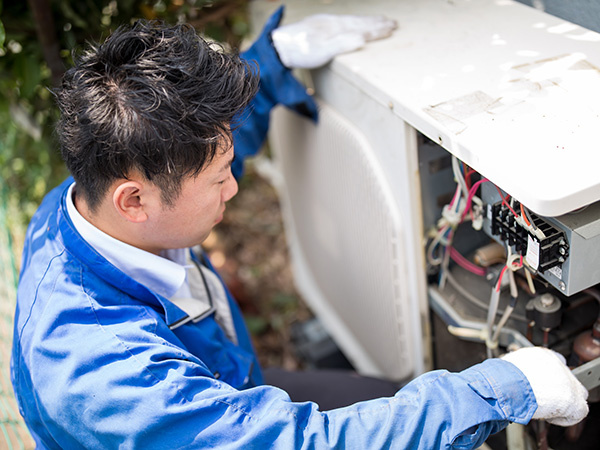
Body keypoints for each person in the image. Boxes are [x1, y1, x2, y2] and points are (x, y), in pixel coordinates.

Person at [10, 6, 588, 449]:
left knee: (392, 401)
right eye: (219, 180)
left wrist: (274, 59)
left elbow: (188, 157)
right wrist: (502, 389)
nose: (233, 187)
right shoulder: (101, 374)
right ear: (134, 201)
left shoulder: (88, 204)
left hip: (229, 383)